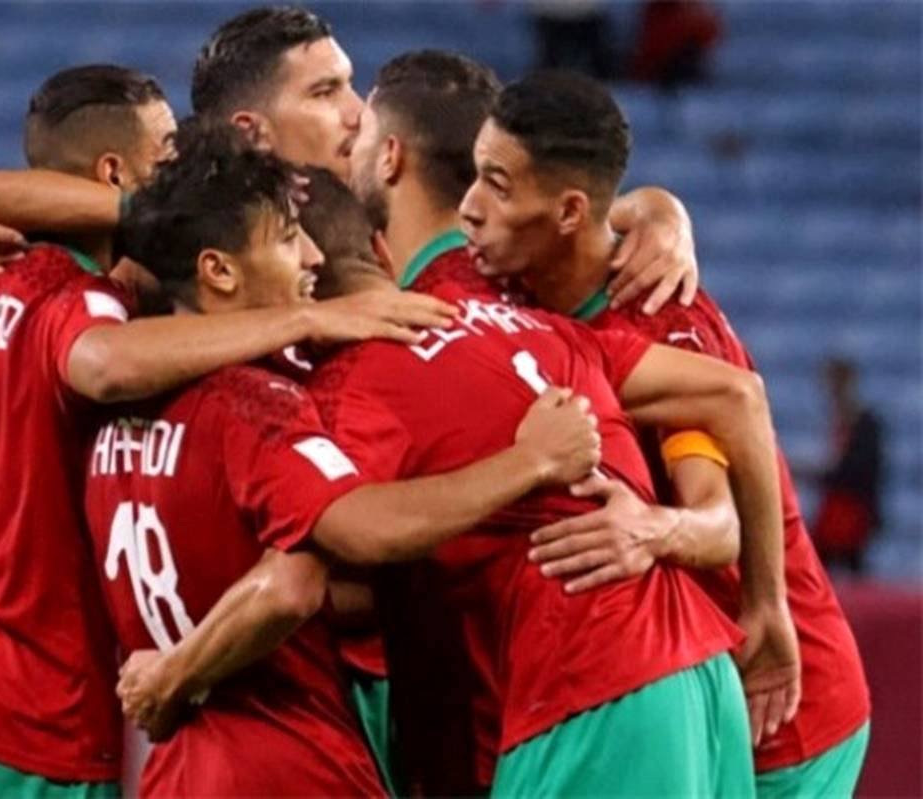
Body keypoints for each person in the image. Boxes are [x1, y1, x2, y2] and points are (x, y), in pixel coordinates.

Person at [0, 64, 453, 799]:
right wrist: (304, 317)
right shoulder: (85, 308)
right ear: (114, 173)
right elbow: (103, 364)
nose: (174, 171)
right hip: (35, 717)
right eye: (164, 153)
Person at [323, 51, 791, 797]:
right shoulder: (538, 293)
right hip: (694, 669)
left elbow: (337, 547)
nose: (347, 126)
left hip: (608, 687)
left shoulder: (373, 362)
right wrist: (657, 208)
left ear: (390, 157)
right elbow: (733, 401)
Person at [86, 133, 601, 797]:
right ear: (219, 271)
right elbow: (310, 570)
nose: (313, 255)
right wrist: (531, 460)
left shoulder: (112, 421)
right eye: (287, 237)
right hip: (290, 765)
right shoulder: (256, 403)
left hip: (176, 770)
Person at [460, 69, 870, 797]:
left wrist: (658, 534)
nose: (470, 206)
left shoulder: (660, 319)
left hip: (780, 699)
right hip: (688, 675)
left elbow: (719, 518)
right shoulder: (524, 279)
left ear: (567, 211)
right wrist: (658, 206)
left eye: (497, 184)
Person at [0, 7, 700, 319]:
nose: (358, 112)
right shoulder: (178, 252)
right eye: (326, 93)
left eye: (351, 85)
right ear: (252, 131)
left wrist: (656, 209)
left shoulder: (386, 210)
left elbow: (550, 203)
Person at [814, 356, 884, 577]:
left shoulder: (866, 424)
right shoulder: (837, 421)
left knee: (849, 562)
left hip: (854, 508)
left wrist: (822, 473)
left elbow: (861, 470)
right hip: (835, 507)